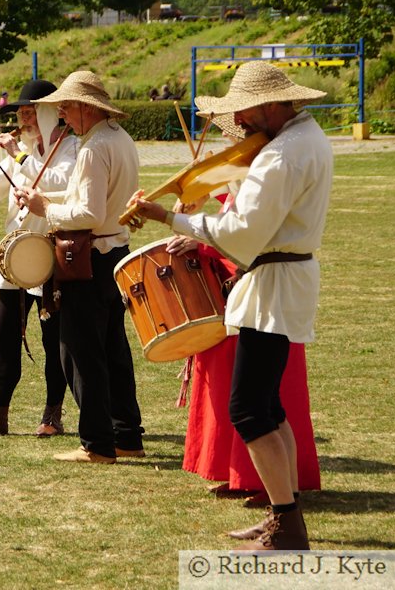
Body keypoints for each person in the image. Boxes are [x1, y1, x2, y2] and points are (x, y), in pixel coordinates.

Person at [128, 61, 331, 550]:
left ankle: (286, 522)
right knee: (267, 406)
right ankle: (286, 515)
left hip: (273, 285)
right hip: (279, 280)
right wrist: (219, 189)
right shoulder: (303, 138)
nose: (237, 122)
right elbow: (255, 216)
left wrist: (168, 218)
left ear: (269, 105)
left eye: (242, 110)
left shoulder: (283, 153)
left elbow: (241, 236)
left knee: (249, 411)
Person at [171, 116, 321, 510]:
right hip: (251, 286)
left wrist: (184, 226)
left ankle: (281, 504)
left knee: (255, 406)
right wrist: (200, 202)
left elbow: (245, 234)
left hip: (263, 286)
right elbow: (237, 219)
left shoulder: (272, 161)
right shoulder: (263, 161)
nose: (226, 136)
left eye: (232, 130)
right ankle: (267, 492)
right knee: (259, 403)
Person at [16, 71, 144, 464]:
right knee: (113, 349)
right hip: (114, 254)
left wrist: (44, 209)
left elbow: (89, 212)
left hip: (88, 259)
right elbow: (94, 197)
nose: (63, 114)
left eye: (67, 106)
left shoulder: (92, 148)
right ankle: (126, 435)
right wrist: (45, 196)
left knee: (81, 352)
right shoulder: (118, 139)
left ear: (87, 107)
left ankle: (97, 444)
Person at [0, 79, 79, 438]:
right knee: (4, 334)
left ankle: (52, 413)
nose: (24, 116)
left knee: (53, 338)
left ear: (51, 111)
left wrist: (16, 156)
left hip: (51, 252)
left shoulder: (70, 148)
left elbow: (58, 182)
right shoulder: (21, 147)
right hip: (14, 254)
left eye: (30, 110)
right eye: (21, 111)